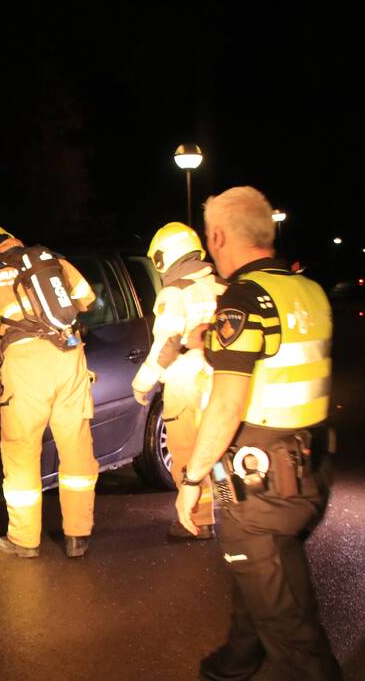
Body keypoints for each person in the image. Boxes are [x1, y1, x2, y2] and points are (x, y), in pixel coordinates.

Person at [174, 187, 341, 680]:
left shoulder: (245, 300)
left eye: (211, 238)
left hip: (262, 482)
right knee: (258, 573)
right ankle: (239, 659)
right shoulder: (307, 290)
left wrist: (192, 480)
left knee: (293, 629)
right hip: (309, 466)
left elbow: (227, 404)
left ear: (220, 236)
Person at [0, 223, 98, 558]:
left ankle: (24, 539)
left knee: (21, 452)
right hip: (70, 357)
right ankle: (78, 535)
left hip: (25, 366)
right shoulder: (51, 259)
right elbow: (87, 299)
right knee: (76, 448)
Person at [132, 222, 225, 540]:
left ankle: (196, 521)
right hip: (219, 379)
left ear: (165, 256)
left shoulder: (174, 293)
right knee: (215, 446)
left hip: (185, 381)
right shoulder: (219, 287)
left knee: (185, 449)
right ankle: (228, 513)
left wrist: (143, 382)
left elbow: (166, 345)